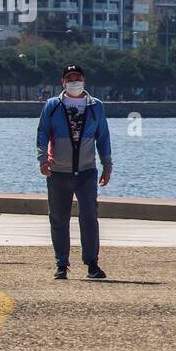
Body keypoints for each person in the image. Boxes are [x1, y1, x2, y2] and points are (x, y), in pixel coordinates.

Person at [37, 64, 111, 280]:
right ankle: (61, 264)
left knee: (89, 216)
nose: (74, 81)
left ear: (84, 80)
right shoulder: (52, 105)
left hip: (87, 171)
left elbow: (104, 137)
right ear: (63, 82)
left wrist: (107, 165)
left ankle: (92, 264)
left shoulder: (96, 106)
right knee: (58, 218)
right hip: (58, 171)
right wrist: (42, 159)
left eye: (77, 77)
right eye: (69, 77)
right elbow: (42, 133)